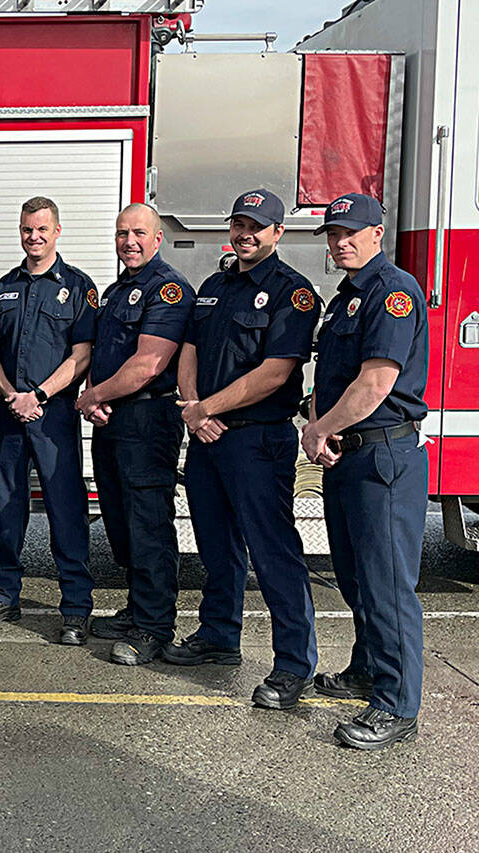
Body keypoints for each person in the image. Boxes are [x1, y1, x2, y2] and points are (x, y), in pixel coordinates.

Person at [167, 189, 321, 709]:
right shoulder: (214, 285)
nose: (245, 234)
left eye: (257, 226)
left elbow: (275, 372)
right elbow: (189, 351)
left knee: (273, 553)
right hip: (207, 437)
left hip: (258, 439)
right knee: (215, 545)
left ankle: (293, 665)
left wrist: (206, 409)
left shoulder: (292, 293)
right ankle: (218, 635)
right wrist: (195, 409)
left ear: (278, 232)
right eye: (239, 224)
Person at [302, 193, 427, 750]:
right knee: (355, 578)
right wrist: (321, 423)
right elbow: (331, 378)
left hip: (383, 458)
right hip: (349, 454)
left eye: (350, 232)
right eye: (332, 234)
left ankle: (396, 706)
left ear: (378, 232)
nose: (339, 242)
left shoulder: (392, 292)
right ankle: (367, 668)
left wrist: (319, 430)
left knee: (387, 586)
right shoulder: (346, 297)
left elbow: (376, 383)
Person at [75, 203, 192, 666]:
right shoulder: (115, 291)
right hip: (114, 419)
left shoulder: (168, 289)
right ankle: (137, 607)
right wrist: (96, 398)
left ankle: (154, 627)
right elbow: (104, 354)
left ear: (158, 238)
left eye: (139, 233)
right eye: (122, 233)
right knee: (122, 521)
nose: (129, 242)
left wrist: (92, 396)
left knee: (148, 523)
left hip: (148, 420)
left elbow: (149, 364)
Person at [0, 197, 96, 644]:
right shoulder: (4, 287)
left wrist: (40, 394)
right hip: (11, 414)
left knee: (66, 511)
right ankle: (4, 594)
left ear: (57, 231)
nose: (34, 237)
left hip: (54, 418)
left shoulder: (78, 287)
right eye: (28, 229)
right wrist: (11, 393)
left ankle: (75, 608)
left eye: (42, 229)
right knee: (9, 509)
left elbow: (81, 355)